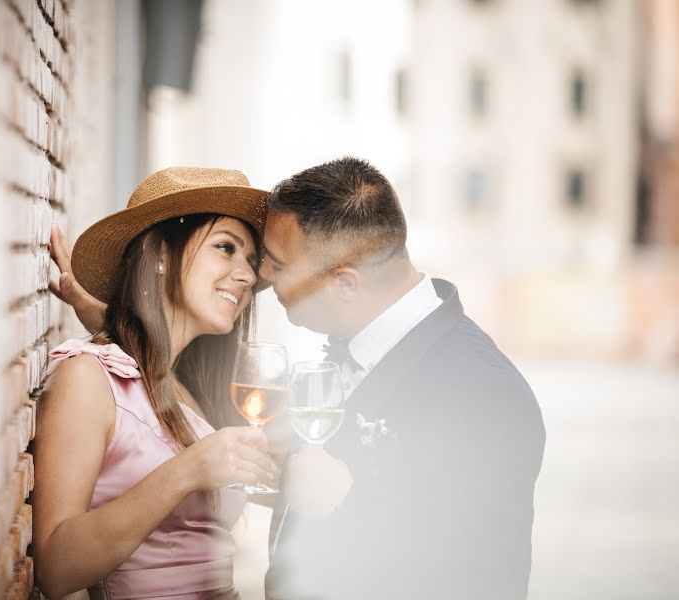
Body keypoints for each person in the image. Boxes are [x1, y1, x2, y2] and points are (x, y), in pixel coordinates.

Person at [56, 157, 546, 600]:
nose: (259, 277)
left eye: (271, 262)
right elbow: (146, 401)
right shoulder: (344, 352)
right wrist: (118, 317)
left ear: (345, 284)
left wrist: (346, 506)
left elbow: (474, 578)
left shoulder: (483, 395)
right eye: (237, 252)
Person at [32, 166, 280, 600]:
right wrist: (187, 472)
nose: (248, 275)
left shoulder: (189, 387)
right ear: (161, 254)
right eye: (227, 248)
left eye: (251, 261)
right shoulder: (85, 380)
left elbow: (144, 367)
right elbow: (55, 570)